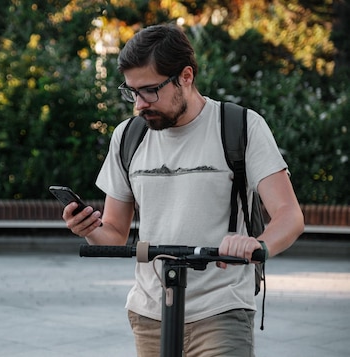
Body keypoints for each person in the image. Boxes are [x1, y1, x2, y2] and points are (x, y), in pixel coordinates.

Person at [62, 24, 304, 356]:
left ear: (185, 76)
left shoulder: (240, 127)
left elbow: (289, 215)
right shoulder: (128, 136)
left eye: (149, 90)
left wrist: (256, 244)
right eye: (131, 91)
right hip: (149, 314)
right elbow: (115, 233)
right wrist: (89, 229)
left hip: (222, 311)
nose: (138, 104)